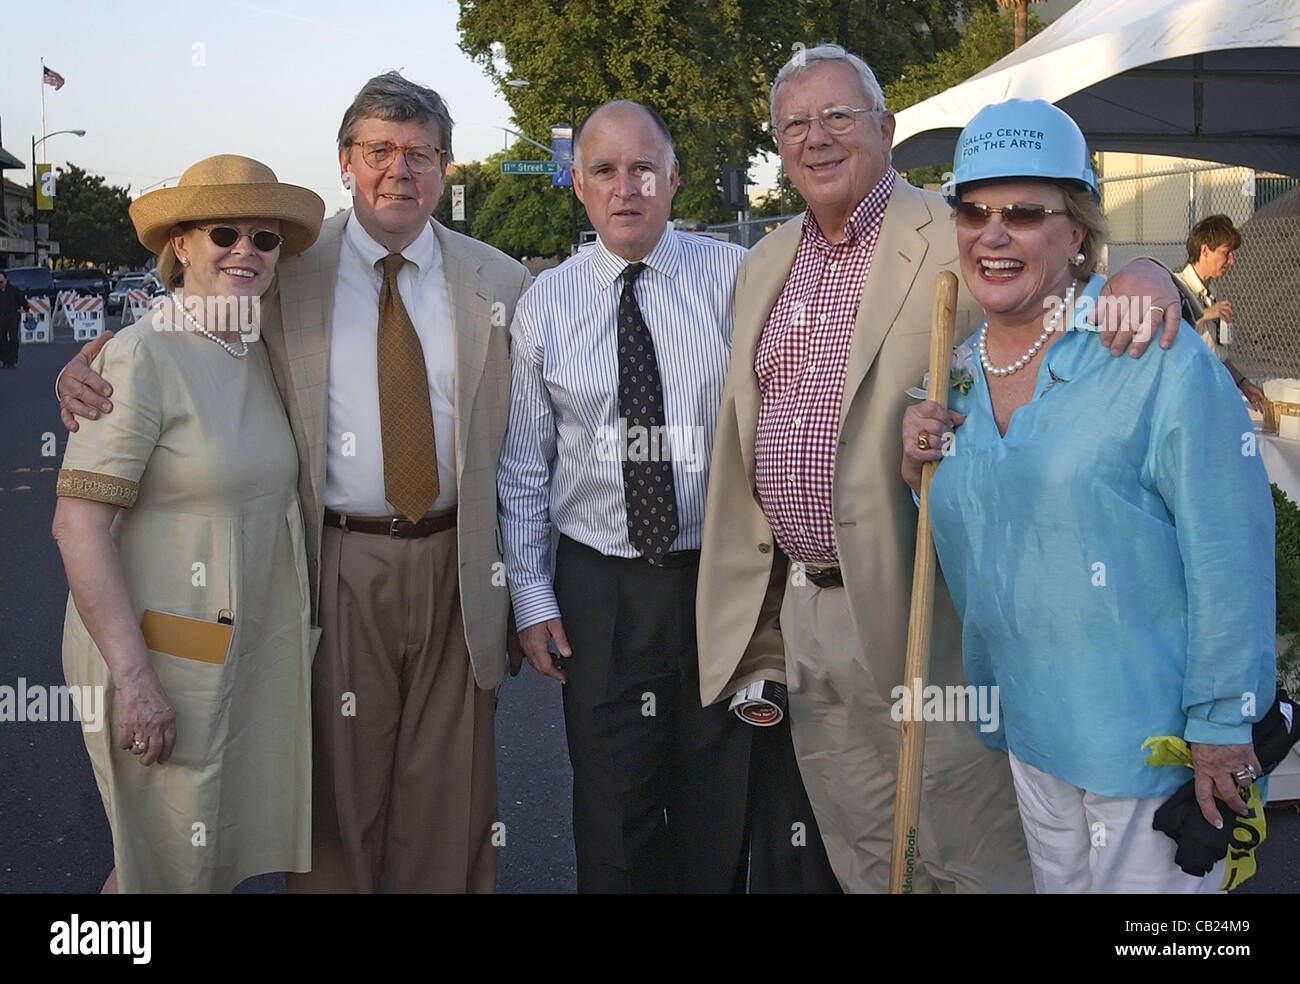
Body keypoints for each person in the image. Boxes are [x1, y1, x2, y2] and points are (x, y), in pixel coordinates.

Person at [695, 44, 1186, 894]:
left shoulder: (954, 228)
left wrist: (1150, 274)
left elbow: (1065, 290)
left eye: (839, 117)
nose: (817, 138)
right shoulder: (765, 263)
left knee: (972, 848)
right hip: (807, 613)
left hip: (932, 612)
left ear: (886, 128)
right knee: (863, 848)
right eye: (796, 124)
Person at [57, 72, 532, 893]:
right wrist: (87, 361)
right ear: (345, 161)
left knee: (446, 802)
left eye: (421, 154)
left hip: (460, 563)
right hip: (332, 564)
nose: (400, 170)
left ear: (447, 168)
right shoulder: (290, 275)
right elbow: (179, 330)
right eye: (378, 150)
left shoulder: (503, 284)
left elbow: (541, 440)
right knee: (328, 804)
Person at [901, 99, 1275, 894]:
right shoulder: (953, 371)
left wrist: (1220, 725)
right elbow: (982, 537)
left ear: (1078, 232)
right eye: (975, 210)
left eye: (1025, 213)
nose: (993, 234)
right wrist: (917, 474)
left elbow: (1231, 547)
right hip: (1034, 729)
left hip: (1151, 749)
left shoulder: (1152, 349)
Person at [498, 100, 836, 893]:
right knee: (614, 812)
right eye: (605, 171)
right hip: (599, 588)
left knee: (721, 797)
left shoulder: (739, 281)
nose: (626, 188)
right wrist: (531, 598)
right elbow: (523, 467)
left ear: (675, 179)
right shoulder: (545, 303)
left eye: (644, 168)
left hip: (720, 580)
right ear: (577, 184)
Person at [52, 155, 325, 893]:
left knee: (194, 861)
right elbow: (77, 527)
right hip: (155, 655)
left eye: (264, 239)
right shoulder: (138, 356)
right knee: (163, 868)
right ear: (180, 245)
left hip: (233, 648)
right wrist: (135, 680)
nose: (246, 251)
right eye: (223, 233)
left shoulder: (255, 347)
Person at [1174, 214, 1266, 410]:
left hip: (1209, 395)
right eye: (1226, 252)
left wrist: (1244, 384)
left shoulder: (1211, 294)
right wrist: (1204, 313)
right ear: (1205, 250)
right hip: (1184, 398)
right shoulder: (1175, 285)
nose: (1232, 260)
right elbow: (1166, 324)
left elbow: (1216, 356)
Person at [0, 271, 23, 368]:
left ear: (6, 280)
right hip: (1, 317)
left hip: (13, 316)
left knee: (13, 338)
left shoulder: (14, 290)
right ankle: (5, 360)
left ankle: (12, 360)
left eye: (1, 282)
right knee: (2, 339)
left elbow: (23, 301)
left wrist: (26, 311)